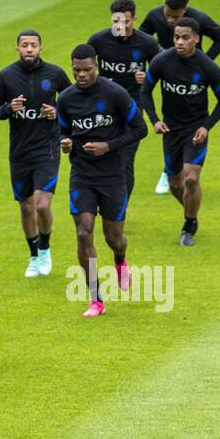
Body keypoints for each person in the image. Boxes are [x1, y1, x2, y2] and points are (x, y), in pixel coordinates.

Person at [55, 43, 147, 317]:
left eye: (86, 69)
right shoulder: (67, 99)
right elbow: (62, 131)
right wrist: (66, 143)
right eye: (76, 70)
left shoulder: (114, 93)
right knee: (83, 232)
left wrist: (109, 146)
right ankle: (96, 298)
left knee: (114, 237)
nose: (81, 75)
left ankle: (120, 260)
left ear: (95, 66)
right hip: (82, 175)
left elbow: (140, 129)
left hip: (112, 175)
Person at [0, 29, 70, 277]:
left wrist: (57, 113)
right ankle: (33, 257)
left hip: (47, 149)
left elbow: (75, 103)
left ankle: (45, 248)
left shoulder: (55, 74)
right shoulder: (6, 76)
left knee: (42, 205)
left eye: (34, 45)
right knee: (25, 208)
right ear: (18, 49)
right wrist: (9, 109)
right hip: (20, 152)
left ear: (41, 48)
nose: (29, 49)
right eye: (25, 45)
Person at [141, 17, 220, 247]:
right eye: (176, 37)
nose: (179, 42)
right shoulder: (162, 61)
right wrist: (154, 120)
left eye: (185, 38)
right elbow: (145, 91)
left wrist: (206, 126)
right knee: (174, 184)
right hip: (171, 130)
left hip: (195, 130)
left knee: (191, 179)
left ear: (196, 39)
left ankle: (189, 225)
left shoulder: (208, 66)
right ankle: (192, 211)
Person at [139, 0, 220, 195]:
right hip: (166, 70)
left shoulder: (199, 19)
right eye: (167, 14)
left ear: (185, 12)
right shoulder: (154, 16)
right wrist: (148, 67)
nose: (170, 20)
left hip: (193, 73)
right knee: (172, 110)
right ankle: (170, 171)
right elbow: (141, 41)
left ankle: (175, 172)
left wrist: (206, 61)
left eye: (176, 17)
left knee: (189, 110)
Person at [88, 0, 161, 199]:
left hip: (133, 106)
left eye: (125, 22)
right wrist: (97, 78)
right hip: (103, 107)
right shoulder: (98, 41)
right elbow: (83, 70)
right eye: (116, 22)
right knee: (104, 155)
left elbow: (163, 72)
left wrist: (147, 78)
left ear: (134, 20)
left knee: (126, 158)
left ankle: (121, 206)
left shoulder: (147, 43)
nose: (120, 26)